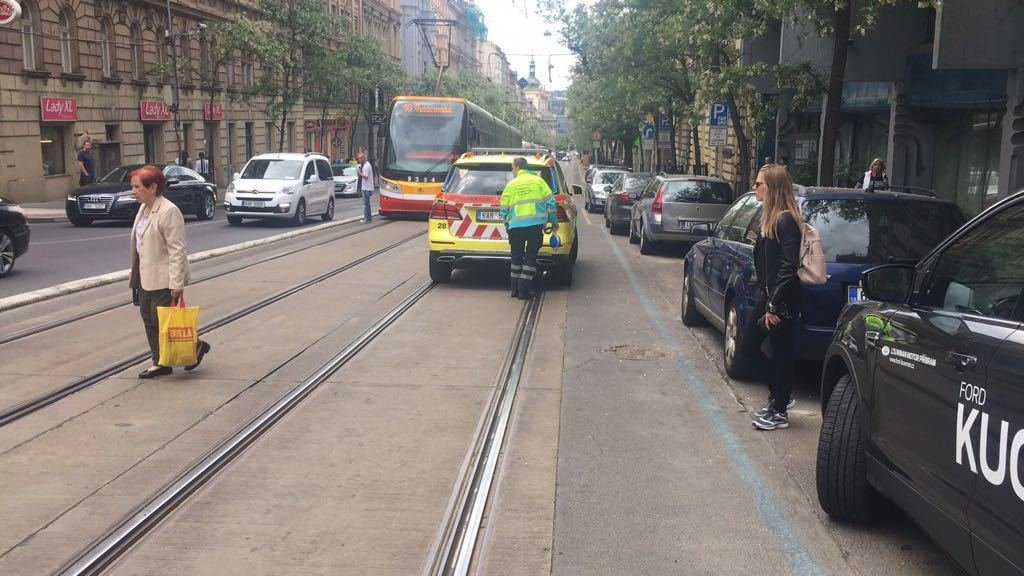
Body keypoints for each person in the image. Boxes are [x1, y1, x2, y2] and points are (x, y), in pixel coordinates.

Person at [129, 165, 211, 379]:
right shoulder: (144, 209)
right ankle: (160, 362)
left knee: (162, 322)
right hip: (145, 277)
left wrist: (177, 283)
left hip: (164, 278)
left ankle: (194, 347)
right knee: (148, 318)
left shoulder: (168, 211)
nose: (133, 191)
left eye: (137, 187)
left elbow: (177, 250)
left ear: (153, 187)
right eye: (133, 187)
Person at [748, 163, 802, 431]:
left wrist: (774, 305)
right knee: (751, 344)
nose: (755, 188)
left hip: (781, 301)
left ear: (774, 189)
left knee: (781, 353)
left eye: (760, 184)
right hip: (769, 296)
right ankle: (780, 395)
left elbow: (788, 267)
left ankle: (779, 409)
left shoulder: (785, 220)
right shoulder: (769, 218)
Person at [500, 157, 558, 300]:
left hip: (516, 227)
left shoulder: (511, 184)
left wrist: (507, 224)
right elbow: (551, 203)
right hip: (534, 226)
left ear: (518, 167)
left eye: (512, 168)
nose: (512, 170)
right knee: (530, 257)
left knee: (516, 257)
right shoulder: (539, 182)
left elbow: (504, 208)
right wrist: (553, 221)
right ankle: (524, 289)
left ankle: (514, 289)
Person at [357, 152, 375, 223]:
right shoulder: (365, 165)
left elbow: (366, 177)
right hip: (366, 187)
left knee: (366, 204)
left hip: (366, 188)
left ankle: (367, 219)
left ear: (363, 158)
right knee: (367, 204)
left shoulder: (367, 166)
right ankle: (368, 218)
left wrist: (360, 173)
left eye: (360, 158)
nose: (359, 160)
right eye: (358, 158)